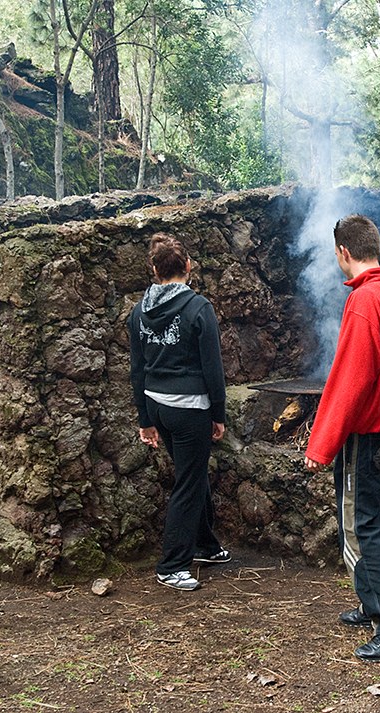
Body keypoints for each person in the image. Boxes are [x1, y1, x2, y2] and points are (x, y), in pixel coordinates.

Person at [304, 214, 380, 663]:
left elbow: (349, 381)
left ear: (343, 253)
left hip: (364, 434)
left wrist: (322, 444)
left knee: (360, 525)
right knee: (378, 518)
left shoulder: (364, 302)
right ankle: (373, 601)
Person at [129, 233, 231, 592]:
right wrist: (219, 413)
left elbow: (137, 368)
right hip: (190, 410)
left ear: (155, 270)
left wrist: (144, 418)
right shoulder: (198, 308)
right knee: (188, 483)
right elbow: (213, 369)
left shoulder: (139, 311)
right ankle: (172, 565)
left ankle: (205, 545)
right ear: (188, 266)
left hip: (158, 406)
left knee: (193, 473)